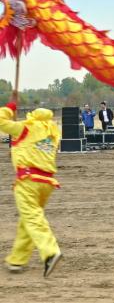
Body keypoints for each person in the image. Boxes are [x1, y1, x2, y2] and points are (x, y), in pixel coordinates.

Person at [0, 101, 63, 277]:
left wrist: (9, 108)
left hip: (28, 181)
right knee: (27, 221)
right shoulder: (52, 132)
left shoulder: (26, 127)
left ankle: (50, 252)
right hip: (46, 182)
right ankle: (16, 260)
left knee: (33, 219)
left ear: (33, 116)